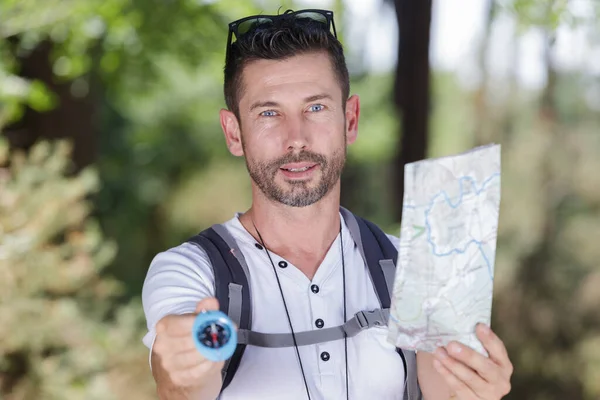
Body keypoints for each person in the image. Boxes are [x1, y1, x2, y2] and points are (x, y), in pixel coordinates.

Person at [141, 8, 514, 400]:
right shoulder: (190, 270)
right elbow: (182, 386)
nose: (296, 138)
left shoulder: (414, 264)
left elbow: (448, 392)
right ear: (234, 133)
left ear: (350, 119)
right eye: (269, 113)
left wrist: (476, 389)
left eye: (315, 107)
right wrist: (182, 364)